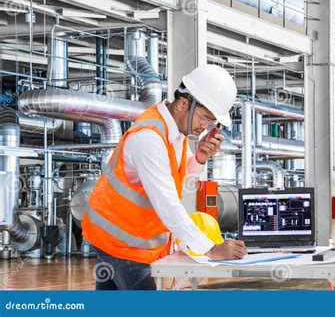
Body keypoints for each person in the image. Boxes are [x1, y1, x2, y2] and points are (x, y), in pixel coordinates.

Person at [82, 64, 247, 290]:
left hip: (116, 237)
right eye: (204, 118)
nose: (205, 127)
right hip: (124, 244)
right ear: (182, 104)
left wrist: (198, 158)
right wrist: (211, 248)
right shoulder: (150, 139)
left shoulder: (175, 134)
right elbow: (168, 204)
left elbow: (178, 176)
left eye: (210, 123)